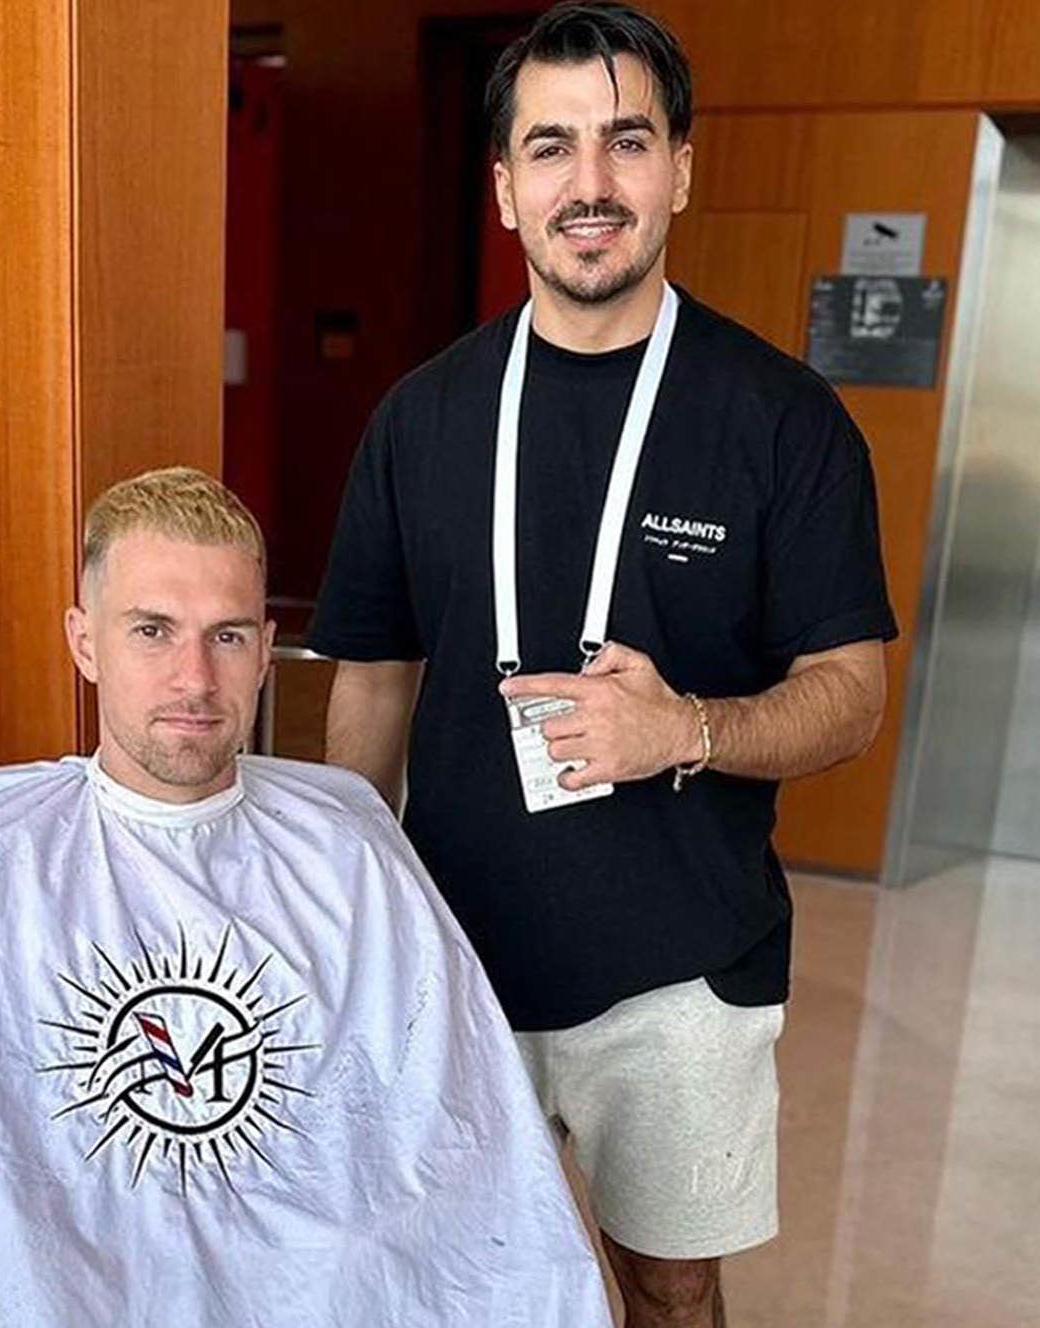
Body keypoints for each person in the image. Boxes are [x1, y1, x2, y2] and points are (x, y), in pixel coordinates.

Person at [307, 5, 898, 1325]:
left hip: (684, 964)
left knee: (672, 1286)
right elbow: (376, 674)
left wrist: (682, 727)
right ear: (507, 186)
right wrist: (348, 901)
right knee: (448, 1280)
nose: (590, 183)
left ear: (680, 168)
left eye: (626, 141)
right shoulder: (422, 419)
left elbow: (852, 693)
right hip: (451, 959)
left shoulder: (782, 422)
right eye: (552, 146)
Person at [0, 468, 611, 1327]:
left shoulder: (351, 861)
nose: (194, 679)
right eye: (152, 630)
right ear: (85, 641)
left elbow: (456, 1146)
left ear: (267, 647)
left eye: (229, 637)